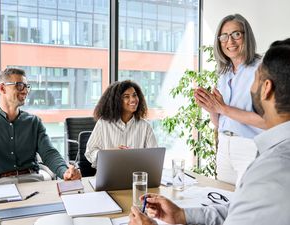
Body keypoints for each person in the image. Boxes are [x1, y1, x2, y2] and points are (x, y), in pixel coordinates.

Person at [128, 38, 290, 225]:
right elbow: (242, 208)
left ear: (266, 89)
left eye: (255, 77)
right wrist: (183, 215)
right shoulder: (274, 160)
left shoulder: (272, 169)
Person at [194, 14, 266, 184]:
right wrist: (212, 109)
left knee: (246, 206)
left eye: (236, 34)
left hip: (250, 147)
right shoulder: (224, 73)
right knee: (224, 201)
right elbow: (222, 122)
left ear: (246, 36)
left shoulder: (262, 69)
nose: (230, 41)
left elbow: (267, 121)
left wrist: (223, 108)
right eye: (224, 36)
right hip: (224, 146)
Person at [0, 68, 81, 185]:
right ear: (2, 88)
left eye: (27, 86)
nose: (25, 91)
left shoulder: (33, 122)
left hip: (31, 179)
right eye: (19, 85)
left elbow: (49, 153)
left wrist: (65, 172)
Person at [85, 80, 158, 168]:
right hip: (110, 175)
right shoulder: (103, 123)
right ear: (116, 101)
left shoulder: (145, 126)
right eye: (126, 97)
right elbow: (90, 152)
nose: (133, 99)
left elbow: (155, 157)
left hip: (136, 176)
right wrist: (110, 153)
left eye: (134, 95)